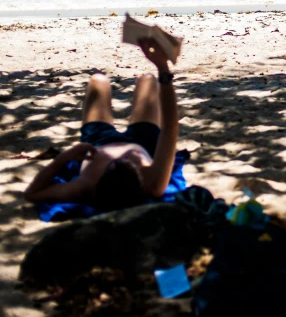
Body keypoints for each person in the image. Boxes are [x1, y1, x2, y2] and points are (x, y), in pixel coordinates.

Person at [24, 38, 179, 212]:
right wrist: (163, 69)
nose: (123, 156)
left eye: (114, 164)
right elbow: (170, 127)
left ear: (101, 181)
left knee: (98, 81)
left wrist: (64, 157)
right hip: (143, 141)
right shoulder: (153, 183)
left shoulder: (85, 187)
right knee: (148, 79)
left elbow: (32, 194)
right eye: (128, 162)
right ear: (139, 179)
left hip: (98, 141)